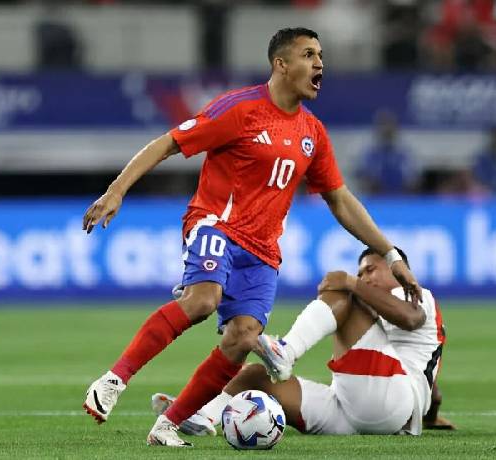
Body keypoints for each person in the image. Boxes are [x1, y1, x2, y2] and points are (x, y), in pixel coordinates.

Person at [80, 27, 423, 448]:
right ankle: (115, 379)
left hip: (262, 253)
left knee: (242, 337)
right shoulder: (240, 109)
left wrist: (390, 254)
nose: (320, 64)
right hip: (215, 226)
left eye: (321, 56)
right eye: (308, 54)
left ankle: (169, 424)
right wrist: (116, 191)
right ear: (281, 64)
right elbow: (169, 143)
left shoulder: (312, 132)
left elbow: (339, 199)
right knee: (203, 300)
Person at [152, 247, 452, 437]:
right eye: (361, 272)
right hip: (358, 411)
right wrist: (432, 415)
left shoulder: (416, 294)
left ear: (399, 269)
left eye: (371, 269)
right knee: (255, 376)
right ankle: (204, 414)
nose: (364, 276)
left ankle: (287, 350)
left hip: (387, 400)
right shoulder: (389, 315)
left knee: (345, 293)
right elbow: (432, 388)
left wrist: (351, 283)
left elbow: (410, 318)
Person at [356, 110, 420, 195]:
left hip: (402, 199)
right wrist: (369, 182)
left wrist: (411, 184)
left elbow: (413, 179)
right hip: (376, 200)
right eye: (383, 125)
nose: (387, 129)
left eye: (390, 126)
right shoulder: (370, 154)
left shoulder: (404, 154)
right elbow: (363, 178)